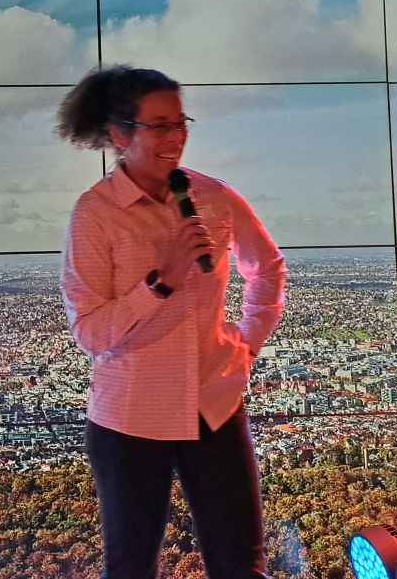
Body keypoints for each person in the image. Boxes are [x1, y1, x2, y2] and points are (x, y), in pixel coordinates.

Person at [57, 65, 288, 579]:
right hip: (131, 417)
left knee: (242, 566)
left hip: (214, 405)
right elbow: (90, 332)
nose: (175, 137)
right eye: (158, 125)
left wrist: (247, 344)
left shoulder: (213, 197)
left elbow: (268, 269)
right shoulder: (96, 213)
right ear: (119, 135)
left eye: (180, 123)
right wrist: (161, 282)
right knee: (131, 569)